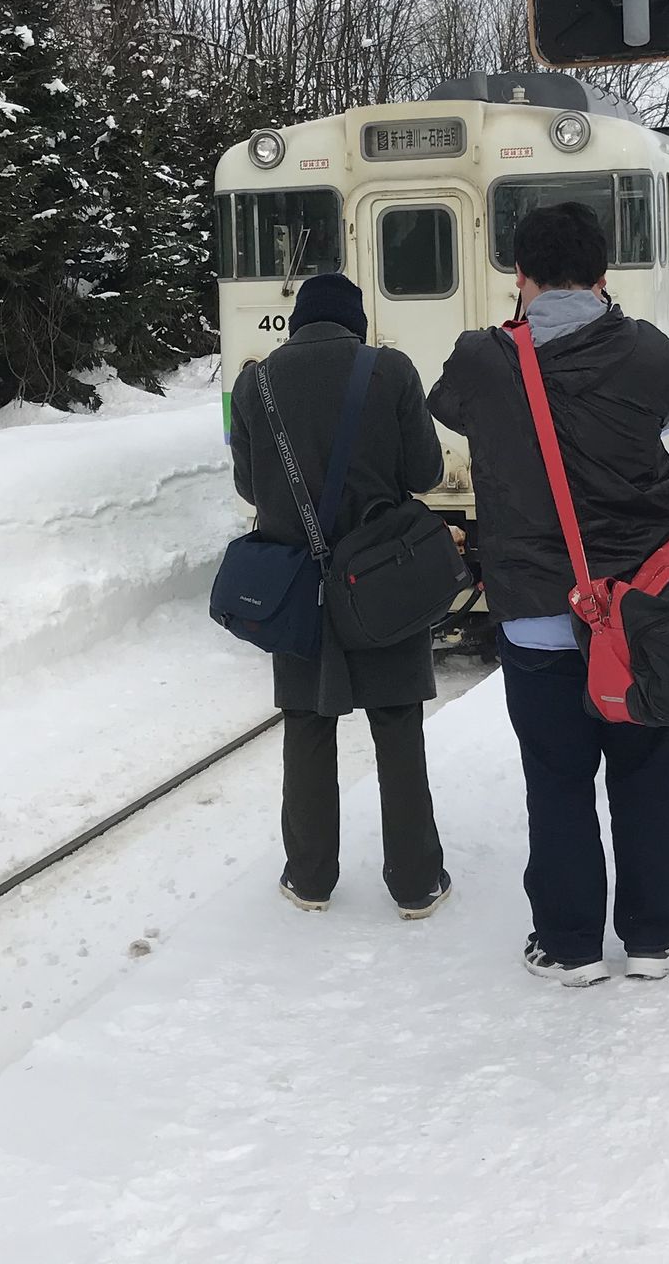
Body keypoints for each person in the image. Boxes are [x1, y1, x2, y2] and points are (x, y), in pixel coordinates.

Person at [428, 203, 669, 986]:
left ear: (521, 277)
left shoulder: (483, 359)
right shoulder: (648, 350)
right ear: (605, 276)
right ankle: (655, 934)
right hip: (636, 617)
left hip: (541, 617)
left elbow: (448, 410)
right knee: (646, 772)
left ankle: (569, 943)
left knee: (556, 779)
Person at [228, 270, 451, 919]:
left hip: (296, 583)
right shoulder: (392, 371)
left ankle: (310, 878)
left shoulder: (255, 382)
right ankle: (415, 883)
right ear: (354, 325)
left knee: (307, 724)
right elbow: (426, 474)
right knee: (397, 726)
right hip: (383, 576)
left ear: (298, 323)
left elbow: (250, 486)